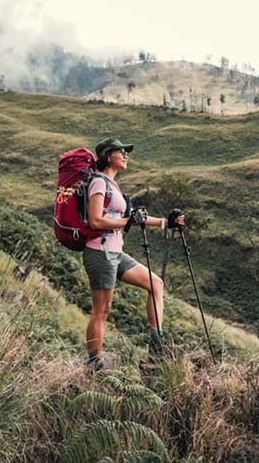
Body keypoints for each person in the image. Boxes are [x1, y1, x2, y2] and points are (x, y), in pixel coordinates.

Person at [83, 136, 185, 369]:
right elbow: (96, 221)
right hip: (100, 252)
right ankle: (94, 362)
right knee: (102, 310)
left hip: (115, 253)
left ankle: (157, 342)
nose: (126, 155)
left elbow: (133, 217)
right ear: (108, 156)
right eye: (121, 151)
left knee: (155, 284)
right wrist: (128, 221)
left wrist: (166, 223)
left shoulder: (113, 185)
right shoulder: (99, 183)